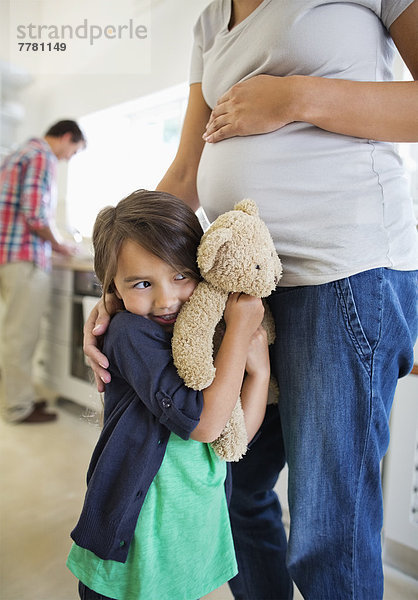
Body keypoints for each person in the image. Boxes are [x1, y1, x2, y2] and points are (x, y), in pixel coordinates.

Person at [84, 1, 418, 598]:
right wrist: (113, 284)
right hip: (236, 296)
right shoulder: (210, 21)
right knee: (233, 491)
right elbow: (186, 171)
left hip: (340, 277)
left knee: (327, 532)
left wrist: (297, 98)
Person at [67, 189, 270, 600]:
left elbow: (232, 439)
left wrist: (260, 374)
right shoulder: (130, 333)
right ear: (114, 291)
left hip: (193, 533)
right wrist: (238, 332)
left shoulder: (202, 334)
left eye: (181, 275)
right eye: (142, 283)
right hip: (140, 542)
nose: (166, 299)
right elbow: (205, 424)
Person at [0, 119, 86, 423]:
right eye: (72, 151)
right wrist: (61, 244)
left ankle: (16, 398)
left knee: (12, 334)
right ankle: (17, 408)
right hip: (25, 259)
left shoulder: (18, 152)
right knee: (20, 337)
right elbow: (36, 215)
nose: (67, 159)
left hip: (7, 257)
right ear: (66, 137)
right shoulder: (42, 156)